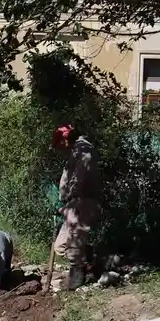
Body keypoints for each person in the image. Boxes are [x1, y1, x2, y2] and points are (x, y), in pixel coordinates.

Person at [51, 124, 101, 292]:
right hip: (72, 203)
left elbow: (80, 177)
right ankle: (91, 260)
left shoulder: (84, 150)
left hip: (82, 202)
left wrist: (73, 197)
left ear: (65, 140)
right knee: (60, 246)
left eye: (60, 144)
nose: (59, 149)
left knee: (74, 242)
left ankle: (77, 279)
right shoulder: (76, 150)